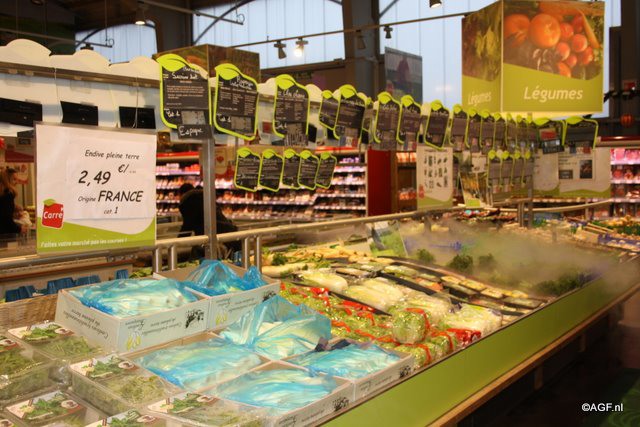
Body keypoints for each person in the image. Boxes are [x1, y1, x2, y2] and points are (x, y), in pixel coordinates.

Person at [177, 182, 241, 257]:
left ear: (181, 194)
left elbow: (188, 224)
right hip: (227, 231)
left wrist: (178, 242)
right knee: (232, 260)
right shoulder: (205, 196)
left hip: (215, 234)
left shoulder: (188, 202)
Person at [0, 168, 24, 237]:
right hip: (4, 234)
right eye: (14, 179)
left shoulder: (2, 193)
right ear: (7, 180)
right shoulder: (8, 194)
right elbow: (6, 220)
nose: (16, 182)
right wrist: (19, 229)